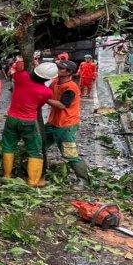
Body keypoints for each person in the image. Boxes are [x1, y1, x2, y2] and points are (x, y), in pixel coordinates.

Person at [1, 61, 58, 187]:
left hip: (11, 118)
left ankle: (6, 176)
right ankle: (33, 181)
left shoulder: (22, 77)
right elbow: (39, 106)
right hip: (28, 121)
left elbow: (17, 72)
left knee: (8, 146)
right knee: (35, 150)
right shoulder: (46, 92)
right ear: (48, 78)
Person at [45, 60, 91, 189]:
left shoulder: (71, 87)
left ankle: (83, 180)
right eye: (58, 67)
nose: (58, 69)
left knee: (70, 153)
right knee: (39, 145)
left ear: (69, 72)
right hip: (53, 122)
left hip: (66, 125)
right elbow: (46, 92)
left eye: (61, 68)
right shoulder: (55, 82)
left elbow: (62, 105)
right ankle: (38, 171)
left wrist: (44, 99)